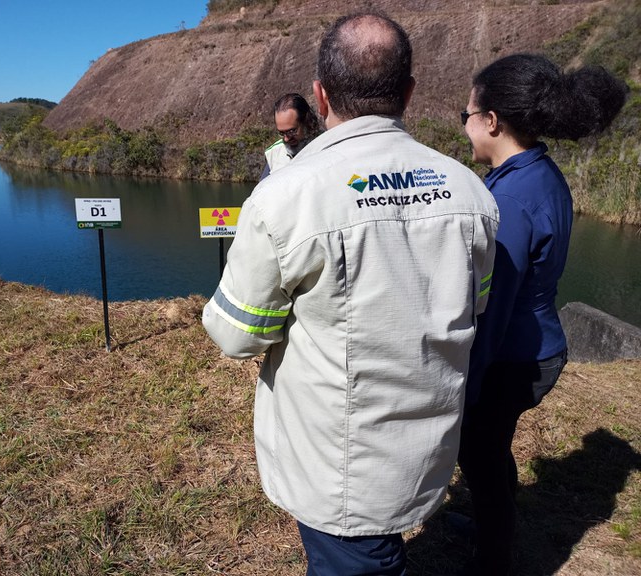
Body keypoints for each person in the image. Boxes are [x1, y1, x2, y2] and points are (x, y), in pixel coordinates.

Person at [202, 12, 499, 576]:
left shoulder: (284, 198)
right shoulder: (470, 191)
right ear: (408, 93)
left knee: (358, 560)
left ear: (320, 94)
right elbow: (475, 303)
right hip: (426, 443)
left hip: (336, 460)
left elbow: (238, 334)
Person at [456, 54, 628, 576]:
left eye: (466, 115)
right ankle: (497, 520)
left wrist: (468, 379)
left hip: (513, 354)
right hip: (539, 345)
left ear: (492, 121)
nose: (463, 126)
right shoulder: (539, 173)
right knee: (493, 445)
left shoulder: (511, 198)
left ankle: (493, 559)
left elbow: (495, 308)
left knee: (479, 455)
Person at [259, 92, 321, 180]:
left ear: (307, 122)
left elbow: (348, 184)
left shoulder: (329, 144)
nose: (286, 138)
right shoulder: (274, 154)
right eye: (282, 133)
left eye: (291, 131)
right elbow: (262, 191)